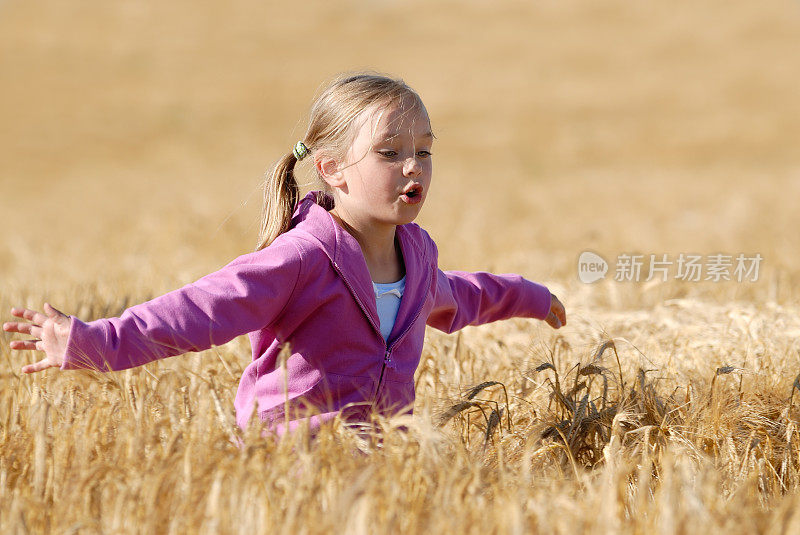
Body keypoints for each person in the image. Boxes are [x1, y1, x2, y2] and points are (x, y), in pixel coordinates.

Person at [3, 72, 567, 435]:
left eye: (423, 150)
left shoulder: (416, 262)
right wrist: (96, 343)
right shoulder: (300, 260)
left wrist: (532, 297)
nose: (413, 165)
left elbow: (463, 295)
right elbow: (202, 310)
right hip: (289, 471)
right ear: (330, 169)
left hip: (386, 478)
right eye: (389, 152)